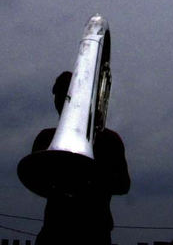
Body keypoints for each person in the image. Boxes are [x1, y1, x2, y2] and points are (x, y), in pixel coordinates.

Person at [32, 71, 131, 245]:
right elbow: (34, 179)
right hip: (55, 230)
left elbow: (123, 185)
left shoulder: (108, 140)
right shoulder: (46, 138)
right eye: (58, 97)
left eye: (66, 96)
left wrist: (89, 178)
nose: (60, 102)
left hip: (94, 231)